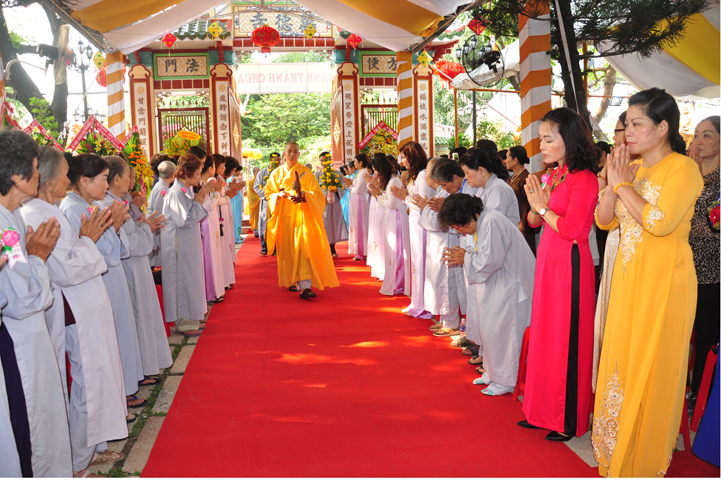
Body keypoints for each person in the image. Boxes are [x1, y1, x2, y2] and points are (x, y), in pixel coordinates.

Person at [593, 88, 704, 476]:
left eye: (637, 124)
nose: (628, 132)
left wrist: (623, 186)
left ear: (662, 128)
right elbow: (604, 221)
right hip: (629, 281)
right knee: (621, 362)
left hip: (664, 284)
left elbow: (659, 223)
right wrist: (613, 183)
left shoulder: (683, 170)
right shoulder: (633, 169)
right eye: (626, 125)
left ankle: (644, 461)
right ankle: (616, 453)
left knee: (654, 368)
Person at [21, 147, 128, 475]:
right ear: (49, 180)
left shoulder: (49, 210)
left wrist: (87, 240)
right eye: (65, 174)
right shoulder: (35, 216)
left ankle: (88, 451)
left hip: (85, 303)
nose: (68, 180)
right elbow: (65, 270)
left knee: (95, 376)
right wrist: (88, 240)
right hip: (71, 308)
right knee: (87, 381)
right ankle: (79, 460)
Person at [518, 108, 599, 442]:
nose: (541, 146)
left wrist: (542, 207)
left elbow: (569, 229)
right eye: (541, 139)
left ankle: (568, 419)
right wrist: (536, 203)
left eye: (548, 139)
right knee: (546, 335)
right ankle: (540, 411)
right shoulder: (553, 174)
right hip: (549, 262)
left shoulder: (584, 178)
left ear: (569, 138)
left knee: (567, 340)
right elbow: (533, 223)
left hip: (571, 265)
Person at [0, 130, 72, 477]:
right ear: (17, 177)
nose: (39, 175)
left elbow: (21, 273)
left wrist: (33, 258)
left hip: (30, 334)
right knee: (29, 422)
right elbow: (23, 296)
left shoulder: (11, 217)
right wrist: (39, 257)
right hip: (19, 339)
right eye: (34, 168)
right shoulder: (4, 225)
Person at [440, 193, 535, 396]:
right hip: (498, 282)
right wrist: (467, 257)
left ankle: (505, 380)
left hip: (511, 286)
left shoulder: (491, 221)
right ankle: (492, 373)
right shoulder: (484, 220)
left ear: (468, 219)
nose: (459, 231)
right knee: (491, 330)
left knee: (504, 333)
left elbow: (490, 262)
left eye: (458, 227)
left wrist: (465, 258)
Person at [106, 157, 172, 385]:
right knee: (136, 318)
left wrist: (144, 226)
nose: (132, 180)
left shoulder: (118, 201)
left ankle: (145, 366)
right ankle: (138, 372)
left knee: (143, 315)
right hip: (128, 267)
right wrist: (146, 227)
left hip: (137, 265)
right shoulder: (109, 204)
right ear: (116, 179)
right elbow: (128, 244)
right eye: (129, 176)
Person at [265, 142, 339, 298]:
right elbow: (268, 193)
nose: (292, 154)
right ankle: (292, 280)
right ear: (284, 153)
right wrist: (278, 195)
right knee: (289, 251)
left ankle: (305, 286)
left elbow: (318, 195)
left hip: (303, 216)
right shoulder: (276, 173)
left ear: (299, 154)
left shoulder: (306, 172)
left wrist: (304, 194)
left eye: (295, 152)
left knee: (304, 250)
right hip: (285, 218)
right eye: (289, 151)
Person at [412, 158, 468, 336]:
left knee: (447, 283)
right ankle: (445, 319)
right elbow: (433, 217)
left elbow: (439, 222)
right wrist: (426, 209)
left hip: (448, 241)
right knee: (440, 282)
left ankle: (452, 323)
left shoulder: (454, 192)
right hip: (438, 241)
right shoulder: (444, 190)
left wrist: (425, 209)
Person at [686, 116, 720, 407]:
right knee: (681, 332)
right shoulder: (684, 171)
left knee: (706, 335)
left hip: (712, 270)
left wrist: (698, 181)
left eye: (707, 135)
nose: (698, 141)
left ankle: (700, 396)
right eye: (696, 134)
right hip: (681, 264)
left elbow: (716, 223)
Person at [160, 154, 213, 336]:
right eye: (197, 173)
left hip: (187, 243)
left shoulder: (185, 190)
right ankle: (184, 323)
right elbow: (183, 220)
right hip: (178, 245)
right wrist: (198, 203)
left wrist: (198, 200)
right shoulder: (176, 192)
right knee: (183, 280)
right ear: (187, 173)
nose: (199, 177)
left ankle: (192, 318)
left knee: (191, 279)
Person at [392, 142, 435, 319]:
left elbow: (423, 202)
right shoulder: (415, 175)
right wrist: (406, 197)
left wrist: (405, 198)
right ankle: (417, 302)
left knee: (421, 261)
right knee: (416, 262)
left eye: (404, 157)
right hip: (415, 220)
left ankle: (424, 305)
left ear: (412, 157)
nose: (402, 161)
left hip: (422, 221)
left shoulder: (423, 175)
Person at [369, 155, 410, 296]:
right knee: (392, 251)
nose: (375, 173)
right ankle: (395, 281)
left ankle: (398, 283)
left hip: (396, 219)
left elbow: (391, 204)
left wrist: (377, 196)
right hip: (391, 218)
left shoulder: (393, 181)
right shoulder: (390, 181)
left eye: (376, 170)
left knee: (397, 251)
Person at [460, 148, 520, 225]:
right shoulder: (483, 188)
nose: (465, 177)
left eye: (467, 173)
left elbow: (492, 223)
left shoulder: (498, 188)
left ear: (481, 170)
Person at [199, 156, 225, 302]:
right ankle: (210, 292)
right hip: (206, 222)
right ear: (210, 169)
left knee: (214, 255)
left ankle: (215, 289)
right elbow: (208, 206)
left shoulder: (205, 183)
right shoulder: (201, 185)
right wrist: (218, 191)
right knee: (209, 256)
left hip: (212, 220)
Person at [504, 146, 536, 254]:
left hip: (522, 225)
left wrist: (522, 223)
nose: (505, 161)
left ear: (515, 160)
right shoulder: (514, 177)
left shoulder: (526, 178)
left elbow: (528, 203)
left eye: (507, 157)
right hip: (513, 222)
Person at [316, 152, 348, 257]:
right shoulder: (317, 174)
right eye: (322, 161)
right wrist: (322, 197)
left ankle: (332, 247)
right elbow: (313, 190)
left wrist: (336, 190)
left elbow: (344, 186)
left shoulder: (337, 173)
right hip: (322, 204)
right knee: (323, 225)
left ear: (330, 161)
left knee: (333, 225)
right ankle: (323, 248)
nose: (324, 163)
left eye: (326, 160)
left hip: (334, 204)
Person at [148, 160, 175, 267]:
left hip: (157, 227)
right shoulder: (162, 189)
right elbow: (160, 213)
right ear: (172, 174)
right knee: (158, 260)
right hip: (158, 228)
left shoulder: (161, 186)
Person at [254, 153, 281, 255]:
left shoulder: (281, 172)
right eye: (275, 160)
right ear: (270, 160)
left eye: (279, 160)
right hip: (266, 202)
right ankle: (264, 246)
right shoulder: (262, 173)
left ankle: (276, 247)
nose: (277, 162)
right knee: (264, 224)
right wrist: (267, 195)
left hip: (278, 202)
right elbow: (256, 187)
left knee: (277, 224)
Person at [347, 154, 370, 261]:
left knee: (360, 225)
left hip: (360, 200)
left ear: (361, 162)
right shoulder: (360, 172)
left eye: (355, 161)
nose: (354, 163)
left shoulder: (363, 172)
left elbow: (358, 190)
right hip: (356, 200)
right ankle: (359, 250)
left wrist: (350, 186)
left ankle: (361, 251)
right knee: (356, 225)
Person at [366, 160, 386, 280]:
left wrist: (374, 188)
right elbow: (374, 191)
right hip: (376, 203)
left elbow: (381, 193)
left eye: (375, 169)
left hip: (382, 207)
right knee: (376, 236)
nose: (374, 172)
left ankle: (383, 268)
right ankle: (378, 265)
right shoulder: (376, 178)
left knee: (381, 237)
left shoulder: (388, 180)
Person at [247, 166, 261, 238]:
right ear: (254, 173)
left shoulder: (262, 181)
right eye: (258, 172)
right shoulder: (251, 182)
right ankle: (256, 232)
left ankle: (262, 231)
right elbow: (250, 193)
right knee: (255, 216)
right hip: (255, 203)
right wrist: (259, 199)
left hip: (261, 202)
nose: (259, 173)